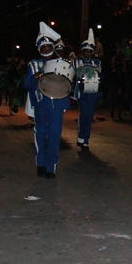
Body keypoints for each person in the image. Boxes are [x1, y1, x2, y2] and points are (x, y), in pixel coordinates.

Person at [25, 22, 70, 178]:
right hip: (40, 103)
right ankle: (41, 163)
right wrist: (35, 77)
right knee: (41, 132)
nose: (46, 50)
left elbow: (69, 83)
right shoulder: (34, 64)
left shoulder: (62, 64)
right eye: (43, 48)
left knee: (54, 133)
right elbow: (27, 85)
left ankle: (51, 166)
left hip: (57, 103)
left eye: (48, 47)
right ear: (39, 49)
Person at [73, 28, 101, 149]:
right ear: (82, 51)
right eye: (86, 51)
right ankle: (81, 136)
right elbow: (72, 75)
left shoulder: (97, 63)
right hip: (81, 92)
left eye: (90, 51)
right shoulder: (76, 62)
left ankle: (85, 140)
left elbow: (100, 77)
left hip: (92, 93)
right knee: (84, 115)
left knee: (89, 116)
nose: (88, 54)